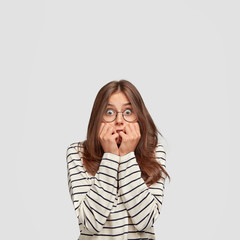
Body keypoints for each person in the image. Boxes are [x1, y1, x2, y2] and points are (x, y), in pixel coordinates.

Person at [66, 79, 170, 240]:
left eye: (128, 112)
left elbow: (145, 221)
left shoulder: (154, 153)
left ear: (138, 117)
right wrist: (111, 157)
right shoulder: (78, 153)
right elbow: (91, 223)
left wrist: (127, 155)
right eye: (109, 112)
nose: (119, 120)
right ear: (97, 118)